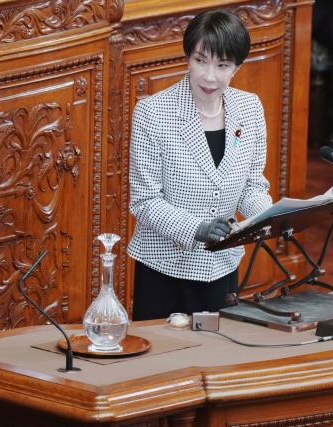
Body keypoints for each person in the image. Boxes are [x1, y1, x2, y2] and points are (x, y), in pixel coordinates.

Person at [128, 10, 272, 321]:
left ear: (237, 66)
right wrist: (197, 229)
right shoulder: (153, 113)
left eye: (222, 65)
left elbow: (252, 186)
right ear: (187, 57)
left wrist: (270, 217)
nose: (209, 76)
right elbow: (145, 201)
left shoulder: (249, 109)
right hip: (164, 269)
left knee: (218, 360)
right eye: (200, 61)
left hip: (222, 266)